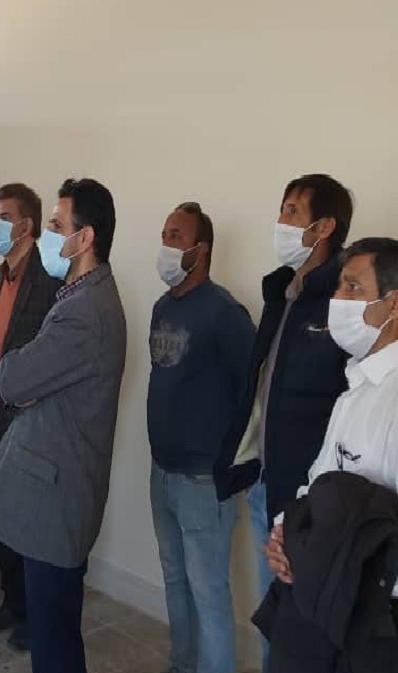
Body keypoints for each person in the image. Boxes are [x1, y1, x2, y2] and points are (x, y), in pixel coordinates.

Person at [0, 178, 127, 673]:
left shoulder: (84, 313)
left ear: (84, 238)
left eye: (56, 225)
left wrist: (20, 371)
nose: (48, 235)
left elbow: (12, 377)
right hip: (54, 488)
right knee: (54, 630)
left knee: (54, 641)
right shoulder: (79, 295)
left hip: (57, 497)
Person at [213, 173, 352, 671]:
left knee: (301, 627)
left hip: (310, 500)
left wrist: (318, 501)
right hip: (265, 484)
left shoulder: (343, 304)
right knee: (272, 612)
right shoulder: (282, 294)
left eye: (292, 211)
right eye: (282, 209)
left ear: (325, 226)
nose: (281, 220)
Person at [261, 237, 398, 672]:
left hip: (367, 622)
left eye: (353, 287)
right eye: (339, 286)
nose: (337, 299)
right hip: (317, 598)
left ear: (393, 304)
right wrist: (284, 536)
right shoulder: (356, 385)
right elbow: (317, 483)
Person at [148, 202, 255, 673]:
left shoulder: (224, 313)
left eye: (176, 236)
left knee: (208, 592)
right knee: (175, 579)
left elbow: (251, 391)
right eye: (164, 235)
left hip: (203, 480)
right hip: (162, 471)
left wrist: (229, 462)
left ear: (201, 249)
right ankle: (182, 664)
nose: (166, 245)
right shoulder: (162, 307)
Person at [0, 183, 62, 651]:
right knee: (1, 511)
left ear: (26, 225)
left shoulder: (47, 277)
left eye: (4, 217)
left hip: (26, 417)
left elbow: (48, 351)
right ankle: (12, 601)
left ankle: (31, 613)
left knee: (26, 518)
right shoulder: (0, 273)